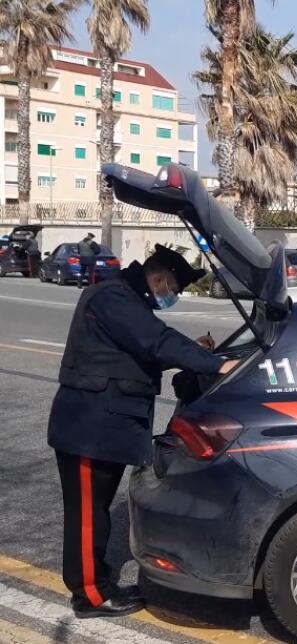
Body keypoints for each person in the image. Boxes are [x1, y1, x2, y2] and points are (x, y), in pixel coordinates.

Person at [47, 244, 237, 618]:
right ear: (160, 278)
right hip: (88, 425)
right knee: (87, 515)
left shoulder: (126, 298)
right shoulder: (113, 296)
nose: (173, 297)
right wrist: (215, 365)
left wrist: (194, 352)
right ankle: (91, 596)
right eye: (174, 290)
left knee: (96, 511)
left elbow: (138, 354)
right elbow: (155, 340)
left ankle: (97, 583)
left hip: (103, 424)